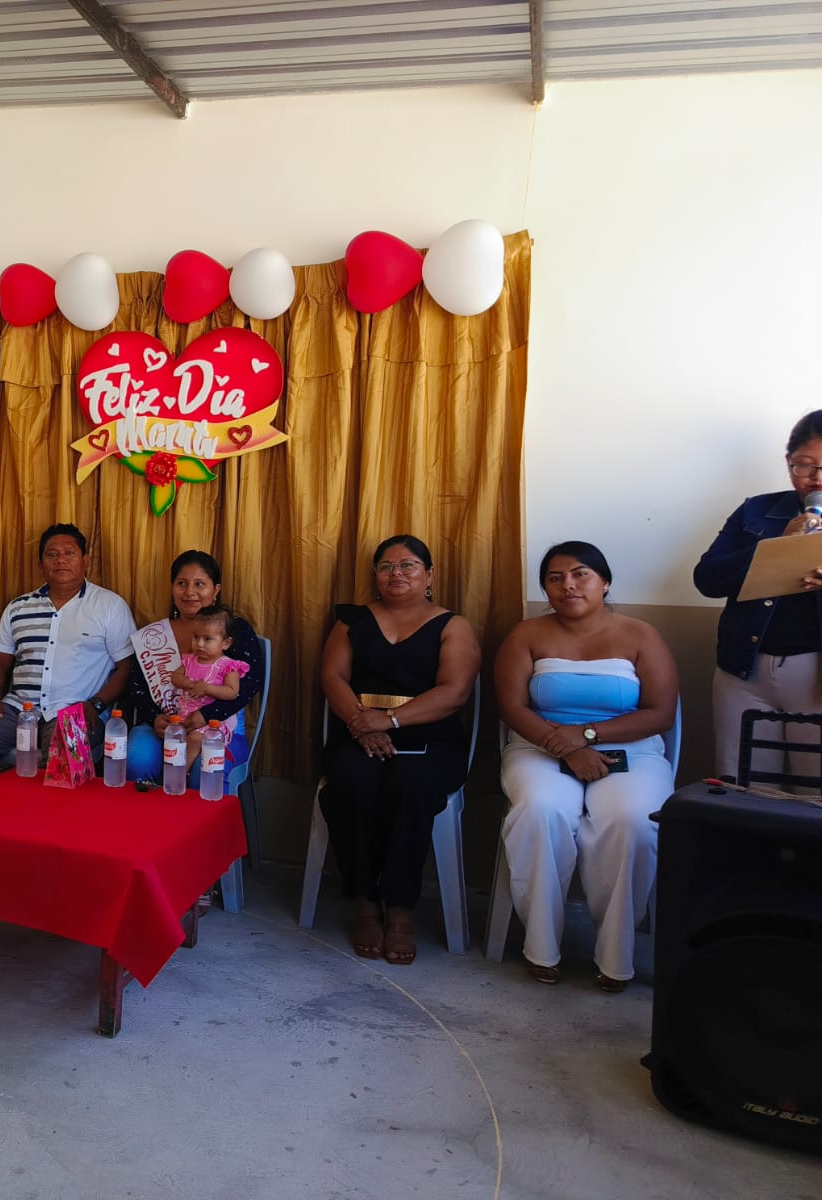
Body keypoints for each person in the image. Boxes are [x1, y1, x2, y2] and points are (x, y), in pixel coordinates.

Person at [497, 541, 678, 991]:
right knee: (542, 811)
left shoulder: (642, 635)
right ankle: (541, 946)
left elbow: (660, 713)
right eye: (555, 578)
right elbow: (512, 707)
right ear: (545, 589)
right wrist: (566, 747)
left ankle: (615, 953)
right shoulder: (526, 634)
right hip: (540, 746)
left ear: (605, 582)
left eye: (581, 574)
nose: (568, 585)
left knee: (632, 821)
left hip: (631, 749)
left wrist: (588, 736)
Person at [318, 535, 479, 965]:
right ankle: (365, 903)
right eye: (386, 567)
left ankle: (402, 910)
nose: (396, 574)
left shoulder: (453, 626)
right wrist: (362, 724)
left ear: (429, 574)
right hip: (357, 730)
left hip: (430, 737)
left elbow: (454, 692)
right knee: (352, 784)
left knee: (411, 787)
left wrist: (388, 720)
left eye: (408, 565)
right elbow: (333, 677)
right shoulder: (352, 621)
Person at [694, 409, 822, 780]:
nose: (816, 478)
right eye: (805, 465)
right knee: (742, 783)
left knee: (813, 790)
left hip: (815, 677)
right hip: (743, 669)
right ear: (788, 463)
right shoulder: (757, 510)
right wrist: (776, 544)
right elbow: (707, 579)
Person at [0, 523, 136, 764]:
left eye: (69, 553)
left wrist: (97, 704)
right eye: (52, 555)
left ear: (86, 560)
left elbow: (127, 666)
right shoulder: (19, 607)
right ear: (41, 565)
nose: (60, 560)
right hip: (19, 708)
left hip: (76, 710)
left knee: (62, 753)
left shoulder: (109, 606)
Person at [126, 551, 266, 785]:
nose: (189, 592)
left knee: (206, 770)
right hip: (165, 725)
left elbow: (250, 684)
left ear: (216, 590)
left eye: (199, 584)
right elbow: (136, 686)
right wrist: (155, 718)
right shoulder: (154, 637)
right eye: (181, 583)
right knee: (137, 758)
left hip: (218, 727)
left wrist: (207, 715)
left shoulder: (234, 630)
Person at [167, 605, 250, 770]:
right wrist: (190, 684)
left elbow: (232, 692)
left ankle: (181, 772)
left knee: (195, 738)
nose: (199, 644)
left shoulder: (228, 666)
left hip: (214, 723)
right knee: (174, 736)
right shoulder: (190, 660)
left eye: (207, 639)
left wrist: (207, 689)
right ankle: (170, 768)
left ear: (225, 643)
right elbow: (175, 677)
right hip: (186, 717)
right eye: (195, 637)